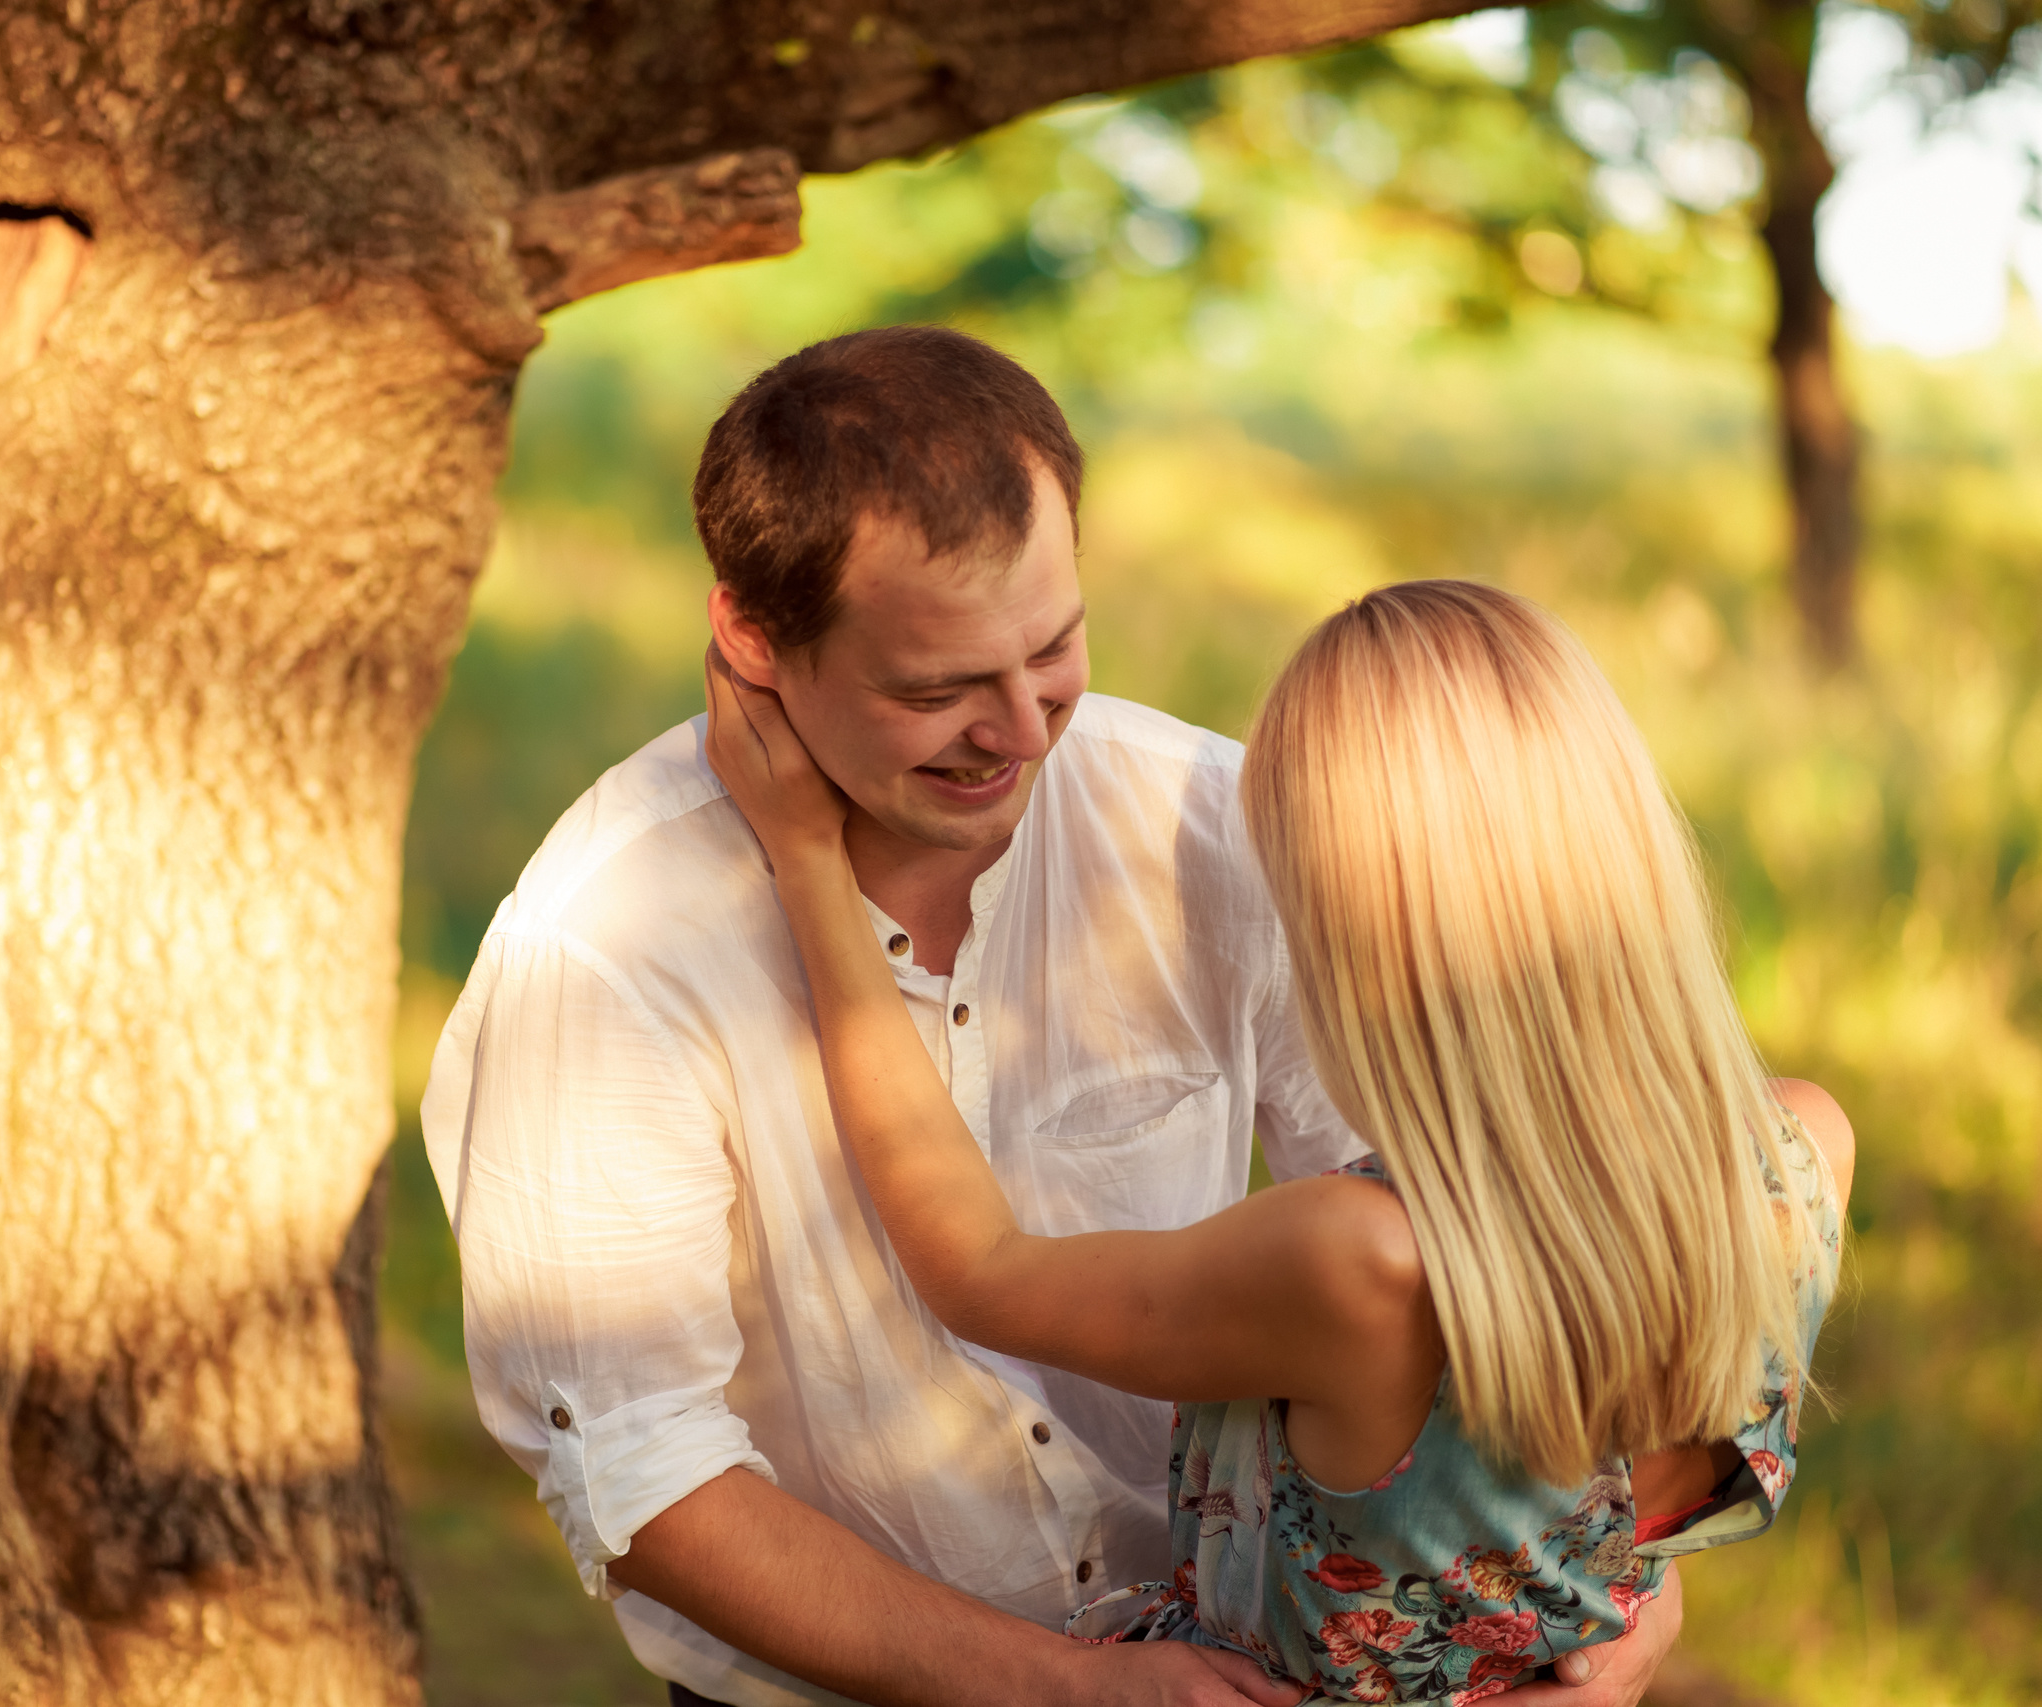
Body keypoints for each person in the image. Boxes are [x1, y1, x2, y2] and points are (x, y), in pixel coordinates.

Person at [422, 325, 1682, 1706]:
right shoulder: (604, 951)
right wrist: (1067, 1687)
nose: (1023, 727)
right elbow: (646, 1470)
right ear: (753, 636)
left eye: (1055, 645)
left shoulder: (1217, 827)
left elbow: (1477, 1247)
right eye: (938, 687)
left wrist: (1621, 1588)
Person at [700, 576, 1851, 1702]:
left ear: (1353, 925)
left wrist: (807, 862)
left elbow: (978, 1270)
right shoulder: (1800, 1156)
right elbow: (1620, 1535)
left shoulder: (1362, 1265)